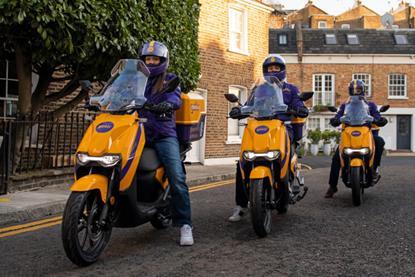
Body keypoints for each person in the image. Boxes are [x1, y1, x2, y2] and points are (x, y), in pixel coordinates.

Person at [228, 54, 308, 222]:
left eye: (276, 68)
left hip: (283, 127)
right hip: (259, 126)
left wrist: (300, 109)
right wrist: (239, 109)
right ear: (265, 71)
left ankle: (288, 182)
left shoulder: (291, 89)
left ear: (282, 70)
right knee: (243, 162)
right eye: (270, 68)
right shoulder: (259, 89)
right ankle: (241, 205)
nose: (273, 70)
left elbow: (299, 105)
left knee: (284, 157)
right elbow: (249, 105)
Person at [139, 41, 193, 246]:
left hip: (163, 135)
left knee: (177, 177)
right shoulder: (136, 80)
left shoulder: (169, 79)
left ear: (163, 61)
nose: (151, 62)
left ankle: (185, 225)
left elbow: (175, 98)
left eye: (155, 59)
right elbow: (119, 94)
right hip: (137, 134)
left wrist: (168, 103)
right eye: (148, 59)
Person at [324, 80, 388, 198]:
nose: (356, 92)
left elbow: (377, 116)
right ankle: (332, 186)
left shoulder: (370, 105)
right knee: (337, 156)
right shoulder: (345, 105)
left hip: (366, 132)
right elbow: (338, 116)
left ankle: (373, 169)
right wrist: (335, 120)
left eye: (358, 90)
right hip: (349, 132)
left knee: (379, 141)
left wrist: (379, 119)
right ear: (350, 91)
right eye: (353, 90)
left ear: (362, 90)